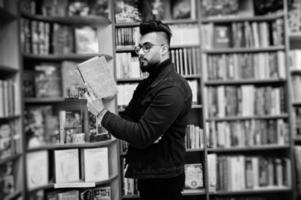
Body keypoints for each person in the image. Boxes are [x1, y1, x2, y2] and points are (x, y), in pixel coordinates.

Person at [86, 20, 192, 200]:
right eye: (139, 48)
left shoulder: (172, 89)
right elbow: (129, 120)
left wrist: (101, 113)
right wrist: (140, 132)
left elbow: (141, 135)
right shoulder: (146, 85)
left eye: (147, 47)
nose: (140, 53)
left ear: (164, 49)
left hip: (164, 180)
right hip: (147, 173)